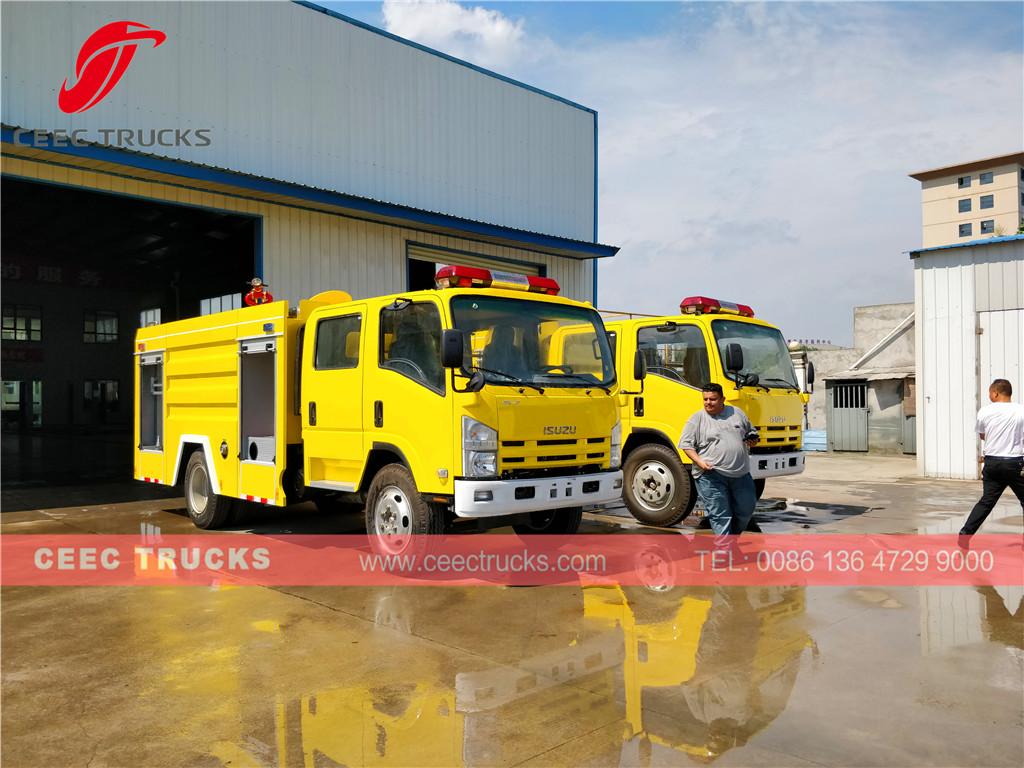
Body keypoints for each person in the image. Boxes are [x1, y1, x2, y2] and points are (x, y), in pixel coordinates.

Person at [680, 383, 760, 535]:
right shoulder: (696, 419)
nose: (708, 403)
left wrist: (753, 440)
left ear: (723, 399)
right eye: (705, 399)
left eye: (713, 399)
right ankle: (725, 551)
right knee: (721, 516)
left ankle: (731, 541)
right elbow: (686, 445)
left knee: (746, 511)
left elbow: (752, 433)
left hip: (741, 474)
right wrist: (699, 462)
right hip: (711, 475)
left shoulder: (737, 413)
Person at [960, 378, 1024, 535]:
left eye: (990, 392)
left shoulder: (985, 411)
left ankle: (965, 533)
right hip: (1014, 463)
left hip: (992, 463)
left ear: (995, 393)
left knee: (986, 501)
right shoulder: (1021, 410)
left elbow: (983, 435)